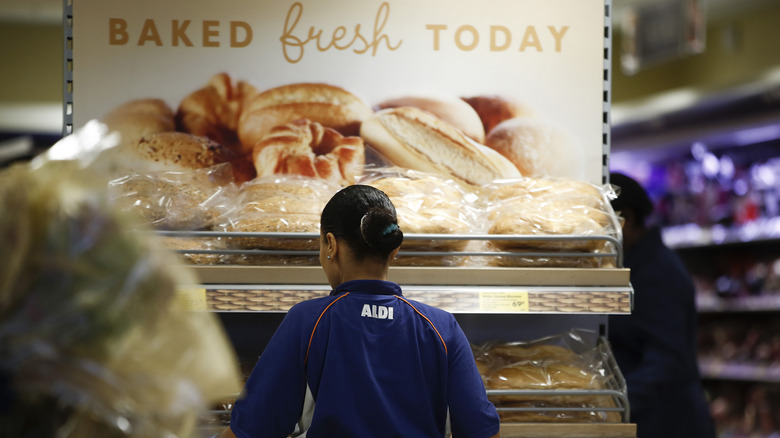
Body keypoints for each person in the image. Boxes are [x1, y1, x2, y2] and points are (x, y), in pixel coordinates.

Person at [219, 184, 500, 438]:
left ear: (331, 244)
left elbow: (251, 430)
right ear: (394, 250)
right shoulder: (441, 327)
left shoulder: (308, 321)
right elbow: (482, 431)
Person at [607, 172, 715, 437]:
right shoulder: (637, 264)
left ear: (627, 221)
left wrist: (615, 407)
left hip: (668, 421)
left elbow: (667, 358)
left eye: (603, 224)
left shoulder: (657, 272)